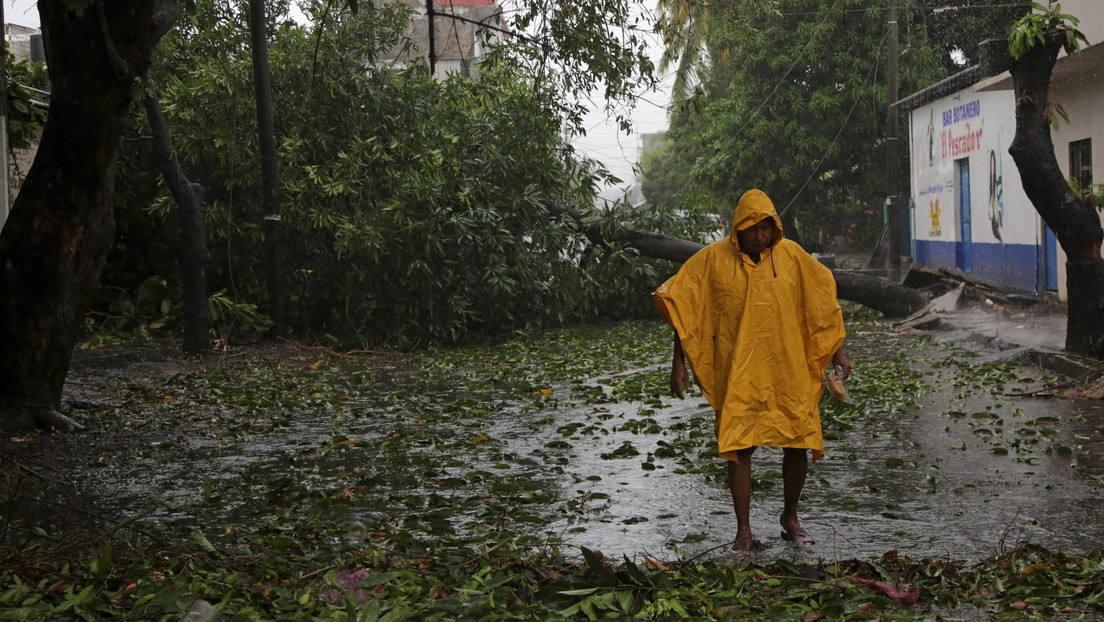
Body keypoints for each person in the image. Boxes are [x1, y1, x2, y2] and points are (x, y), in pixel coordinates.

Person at [652, 189, 851, 553]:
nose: (760, 235)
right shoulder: (712, 260)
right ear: (737, 229)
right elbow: (686, 306)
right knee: (740, 445)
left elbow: (820, 306)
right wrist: (678, 361)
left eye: (765, 227)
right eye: (751, 228)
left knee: (797, 440)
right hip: (739, 369)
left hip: (787, 365)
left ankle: (790, 518)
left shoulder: (793, 258)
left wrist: (838, 353)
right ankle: (743, 530)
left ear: (775, 227)